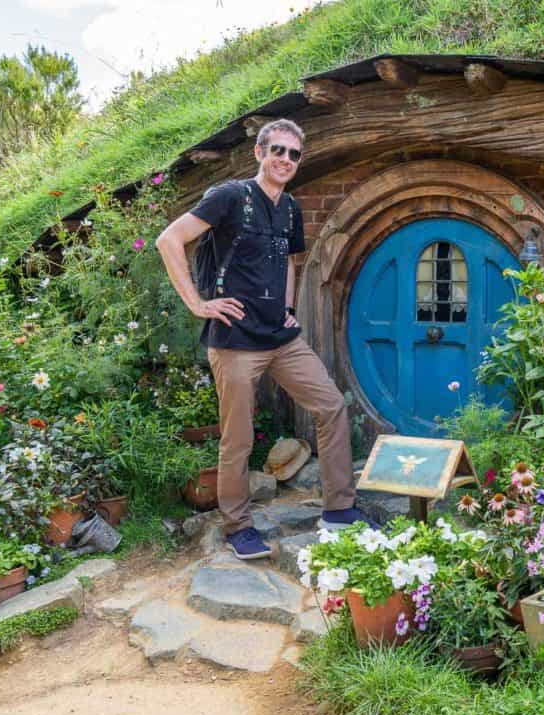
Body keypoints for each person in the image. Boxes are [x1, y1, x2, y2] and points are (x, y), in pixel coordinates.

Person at [155, 118, 379, 560]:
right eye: (277, 150)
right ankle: (238, 527)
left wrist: (289, 310)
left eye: (294, 154)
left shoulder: (291, 208)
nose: (285, 160)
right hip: (235, 341)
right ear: (259, 152)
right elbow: (169, 240)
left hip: (280, 337)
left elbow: (290, 262)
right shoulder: (228, 197)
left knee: (330, 405)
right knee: (237, 436)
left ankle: (338, 510)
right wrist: (199, 304)